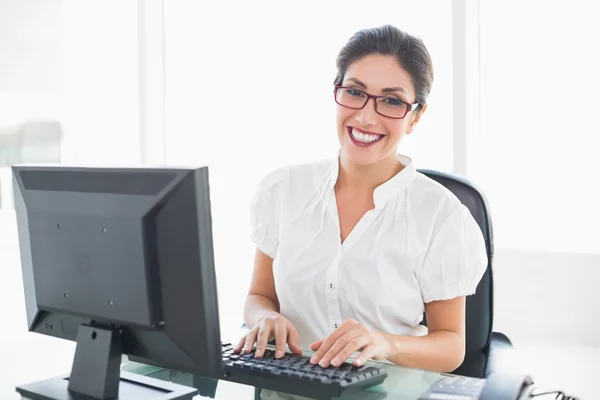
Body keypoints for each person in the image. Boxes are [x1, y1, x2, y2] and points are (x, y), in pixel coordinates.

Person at [233, 25, 487, 373]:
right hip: (289, 385)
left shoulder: (442, 216)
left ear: (415, 117)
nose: (366, 117)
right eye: (355, 92)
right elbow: (259, 296)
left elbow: (451, 345)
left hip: (385, 390)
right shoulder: (282, 189)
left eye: (392, 101)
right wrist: (265, 317)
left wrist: (386, 343)